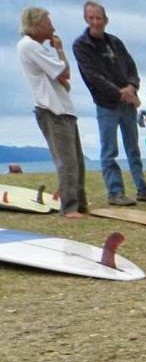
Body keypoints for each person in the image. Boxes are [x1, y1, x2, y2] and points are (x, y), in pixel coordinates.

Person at [72, 1, 146, 205]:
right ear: (86, 19)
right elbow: (92, 75)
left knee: (133, 148)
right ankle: (115, 192)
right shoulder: (81, 45)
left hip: (128, 102)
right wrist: (118, 92)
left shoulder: (115, 42)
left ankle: (143, 189)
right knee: (109, 149)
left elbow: (131, 67)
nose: (96, 22)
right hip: (106, 104)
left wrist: (132, 87)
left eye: (99, 18)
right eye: (92, 18)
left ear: (106, 20)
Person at [17, 6, 86, 218]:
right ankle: (70, 207)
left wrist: (60, 71)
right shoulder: (29, 46)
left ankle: (79, 203)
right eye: (48, 24)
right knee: (67, 161)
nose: (53, 28)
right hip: (52, 110)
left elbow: (64, 80)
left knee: (77, 161)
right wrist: (60, 50)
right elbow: (64, 72)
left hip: (63, 109)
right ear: (36, 25)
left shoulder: (38, 48)